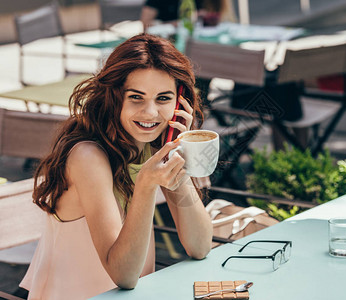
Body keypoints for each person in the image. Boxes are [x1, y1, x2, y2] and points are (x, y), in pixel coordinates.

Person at [19, 34, 213, 299]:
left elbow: (200, 246)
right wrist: (145, 186)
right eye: (136, 97)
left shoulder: (151, 146)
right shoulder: (88, 156)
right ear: (113, 97)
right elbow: (123, 275)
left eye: (164, 99)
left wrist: (178, 148)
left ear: (180, 104)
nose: (150, 112)